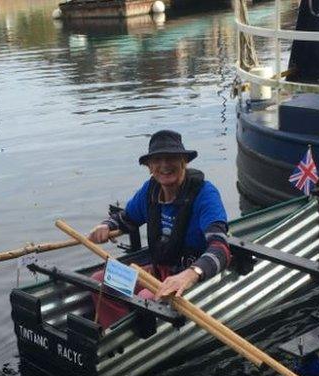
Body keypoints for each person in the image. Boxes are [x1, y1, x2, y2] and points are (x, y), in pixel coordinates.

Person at [88, 130, 231, 328]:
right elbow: (127, 219)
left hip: (189, 278)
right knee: (100, 281)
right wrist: (107, 225)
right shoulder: (150, 190)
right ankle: (118, 332)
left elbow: (221, 248)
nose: (164, 165)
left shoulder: (205, 193)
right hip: (155, 273)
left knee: (145, 299)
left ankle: (134, 335)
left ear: (184, 162)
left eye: (171, 158)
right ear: (149, 167)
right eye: (157, 160)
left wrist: (189, 275)